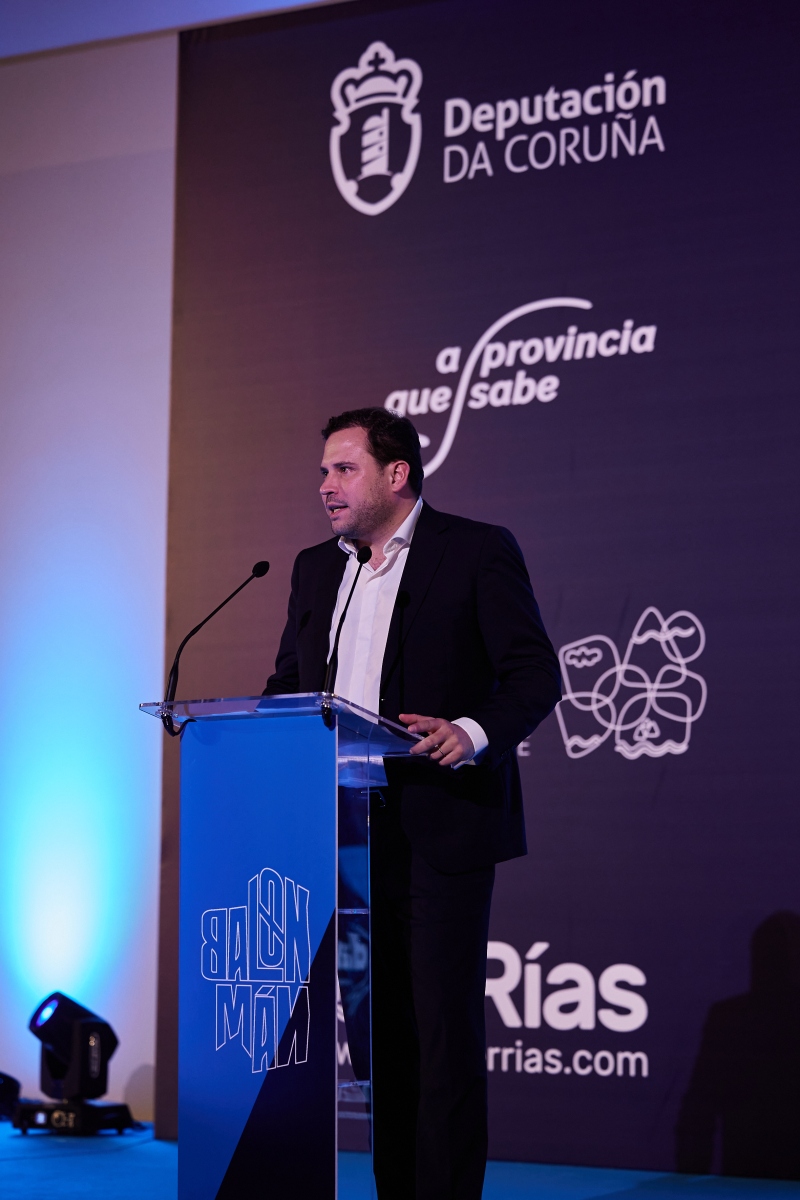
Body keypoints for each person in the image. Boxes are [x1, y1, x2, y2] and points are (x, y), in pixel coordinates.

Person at [265, 408, 561, 1200]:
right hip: (345, 834)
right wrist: (256, 736)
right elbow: (290, 686)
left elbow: (535, 674)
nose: (325, 485)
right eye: (323, 471)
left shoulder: (475, 550)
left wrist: (471, 731)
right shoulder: (314, 569)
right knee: (378, 1039)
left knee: (440, 1034)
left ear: (396, 474)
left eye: (343, 469)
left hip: (439, 824)